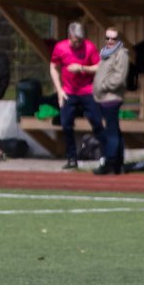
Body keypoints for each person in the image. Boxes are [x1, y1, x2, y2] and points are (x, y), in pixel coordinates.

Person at [49, 21, 104, 170]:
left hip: (87, 90)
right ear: (70, 37)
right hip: (69, 92)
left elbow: (99, 67)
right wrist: (59, 90)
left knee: (96, 122)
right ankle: (71, 158)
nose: (78, 43)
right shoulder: (60, 48)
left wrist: (81, 68)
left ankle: (105, 155)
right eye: (76, 40)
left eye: (80, 40)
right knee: (66, 124)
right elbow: (53, 67)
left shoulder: (89, 47)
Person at [92, 27, 131, 176]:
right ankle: (118, 164)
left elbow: (119, 77)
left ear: (118, 40)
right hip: (102, 98)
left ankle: (110, 162)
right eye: (107, 38)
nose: (109, 41)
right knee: (114, 131)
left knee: (111, 132)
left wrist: (103, 85)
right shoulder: (105, 54)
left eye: (113, 38)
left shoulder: (121, 54)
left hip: (111, 98)